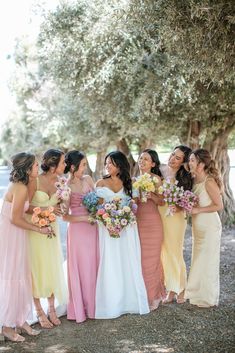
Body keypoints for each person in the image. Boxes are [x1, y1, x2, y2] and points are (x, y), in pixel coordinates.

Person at [0, 152, 50, 342]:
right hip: (11, 234)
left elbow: (24, 208)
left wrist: (45, 211)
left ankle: (20, 320)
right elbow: (15, 218)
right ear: (28, 169)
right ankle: (6, 326)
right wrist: (39, 228)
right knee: (12, 276)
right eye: (36, 166)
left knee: (21, 275)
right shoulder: (19, 187)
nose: (39, 168)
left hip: (16, 233)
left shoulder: (23, 186)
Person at [95, 151, 149, 318]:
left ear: (119, 164)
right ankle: (112, 303)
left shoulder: (130, 183)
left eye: (110, 163)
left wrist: (126, 213)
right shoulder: (100, 182)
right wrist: (109, 219)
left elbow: (135, 205)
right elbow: (97, 208)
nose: (107, 166)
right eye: (106, 163)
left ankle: (131, 301)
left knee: (128, 259)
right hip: (108, 229)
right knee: (111, 262)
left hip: (127, 229)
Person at [26, 149, 67, 328]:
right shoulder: (34, 180)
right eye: (63, 162)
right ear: (52, 165)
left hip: (52, 230)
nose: (65, 165)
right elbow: (25, 206)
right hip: (34, 231)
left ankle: (51, 308)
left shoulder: (61, 182)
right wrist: (47, 210)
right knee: (36, 268)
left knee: (51, 266)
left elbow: (60, 206)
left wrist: (62, 206)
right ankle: (39, 311)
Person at [63, 150, 99, 323]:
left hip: (93, 229)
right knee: (80, 268)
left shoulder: (88, 180)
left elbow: (98, 200)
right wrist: (85, 217)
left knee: (93, 265)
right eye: (83, 164)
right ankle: (80, 308)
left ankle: (94, 306)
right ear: (72, 166)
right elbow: (64, 216)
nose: (86, 168)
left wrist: (98, 211)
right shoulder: (66, 186)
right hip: (77, 231)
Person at [185, 148, 223, 307]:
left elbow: (219, 205)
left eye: (193, 160)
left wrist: (198, 209)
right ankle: (196, 293)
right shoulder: (194, 180)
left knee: (208, 261)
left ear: (201, 164)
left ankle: (208, 297)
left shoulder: (209, 181)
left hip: (210, 226)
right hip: (198, 227)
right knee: (198, 259)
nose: (190, 162)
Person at [159, 145, 193, 304]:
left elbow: (188, 200)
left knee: (175, 251)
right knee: (164, 252)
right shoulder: (160, 171)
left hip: (176, 217)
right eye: (173, 155)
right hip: (160, 213)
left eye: (178, 157)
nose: (172, 159)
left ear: (183, 162)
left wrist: (179, 206)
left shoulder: (185, 177)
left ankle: (182, 288)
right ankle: (170, 289)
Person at [135, 149, 165, 310]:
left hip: (153, 224)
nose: (142, 161)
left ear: (153, 164)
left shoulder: (156, 179)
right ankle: (142, 294)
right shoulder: (133, 180)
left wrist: (151, 194)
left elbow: (162, 201)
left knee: (152, 260)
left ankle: (154, 296)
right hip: (138, 223)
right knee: (140, 260)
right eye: (141, 158)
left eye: (146, 159)